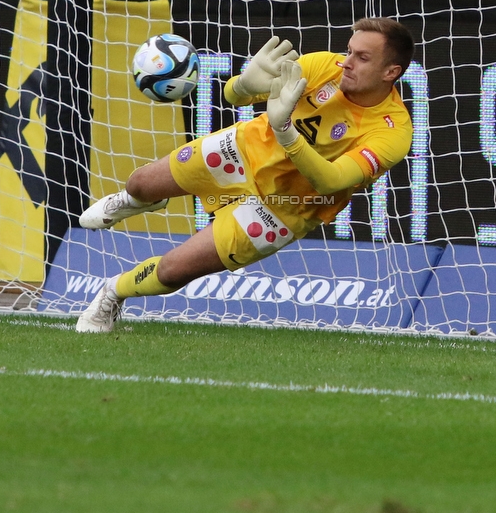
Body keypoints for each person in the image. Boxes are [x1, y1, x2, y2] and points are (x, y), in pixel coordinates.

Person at [75, 17, 416, 333]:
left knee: (173, 271)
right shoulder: (323, 66)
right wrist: (243, 85)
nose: (347, 62)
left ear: (391, 72)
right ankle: (140, 200)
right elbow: (233, 95)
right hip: (243, 150)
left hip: (284, 207)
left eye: (363, 58)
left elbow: (331, 181)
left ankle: (113, 293)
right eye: (349, 51)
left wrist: (287, 133)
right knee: (140, 184)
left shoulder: (393, 133)